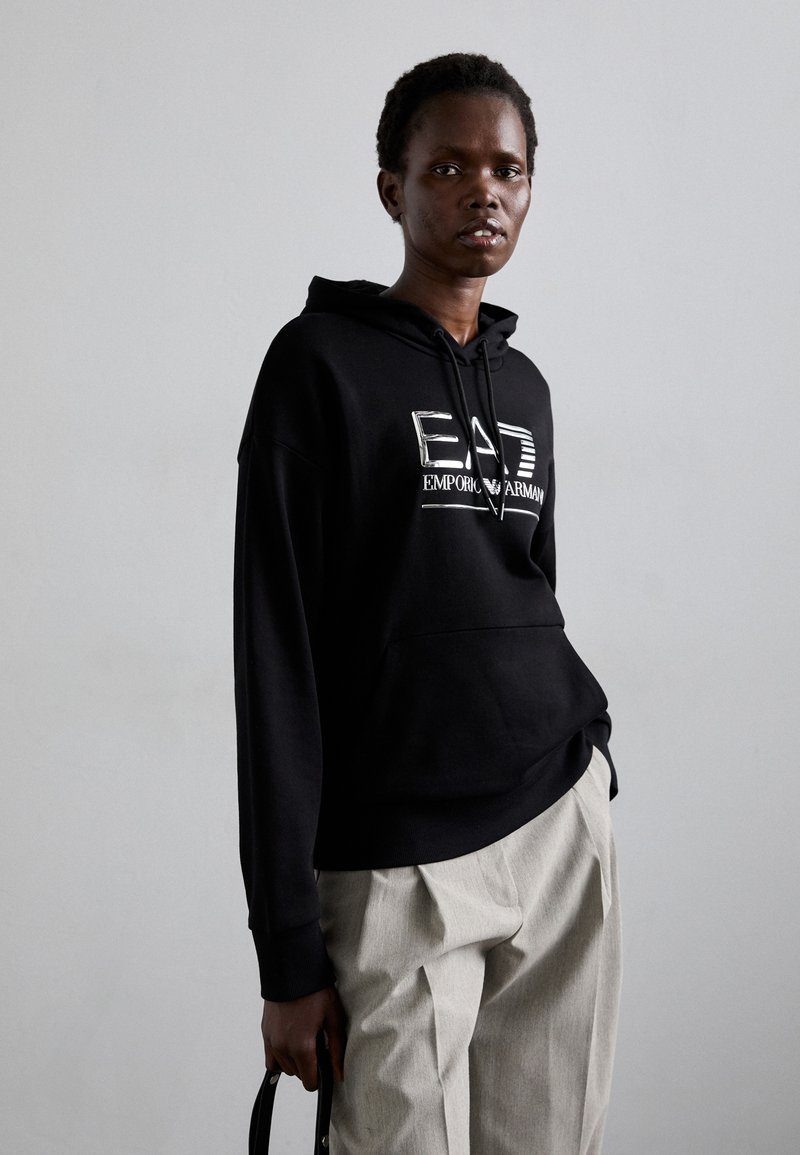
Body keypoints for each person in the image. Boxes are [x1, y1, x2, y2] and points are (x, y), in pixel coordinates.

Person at [234, 52, 622, 1154]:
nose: (481, 191)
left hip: (554, 822)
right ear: (391, 188)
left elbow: (530, 592)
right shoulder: (317, 366)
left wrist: (589, 760)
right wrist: (288, 954)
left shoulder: (525, 388)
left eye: (506, 169)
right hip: (394, 858)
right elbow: (274, 656)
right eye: (447, 167)